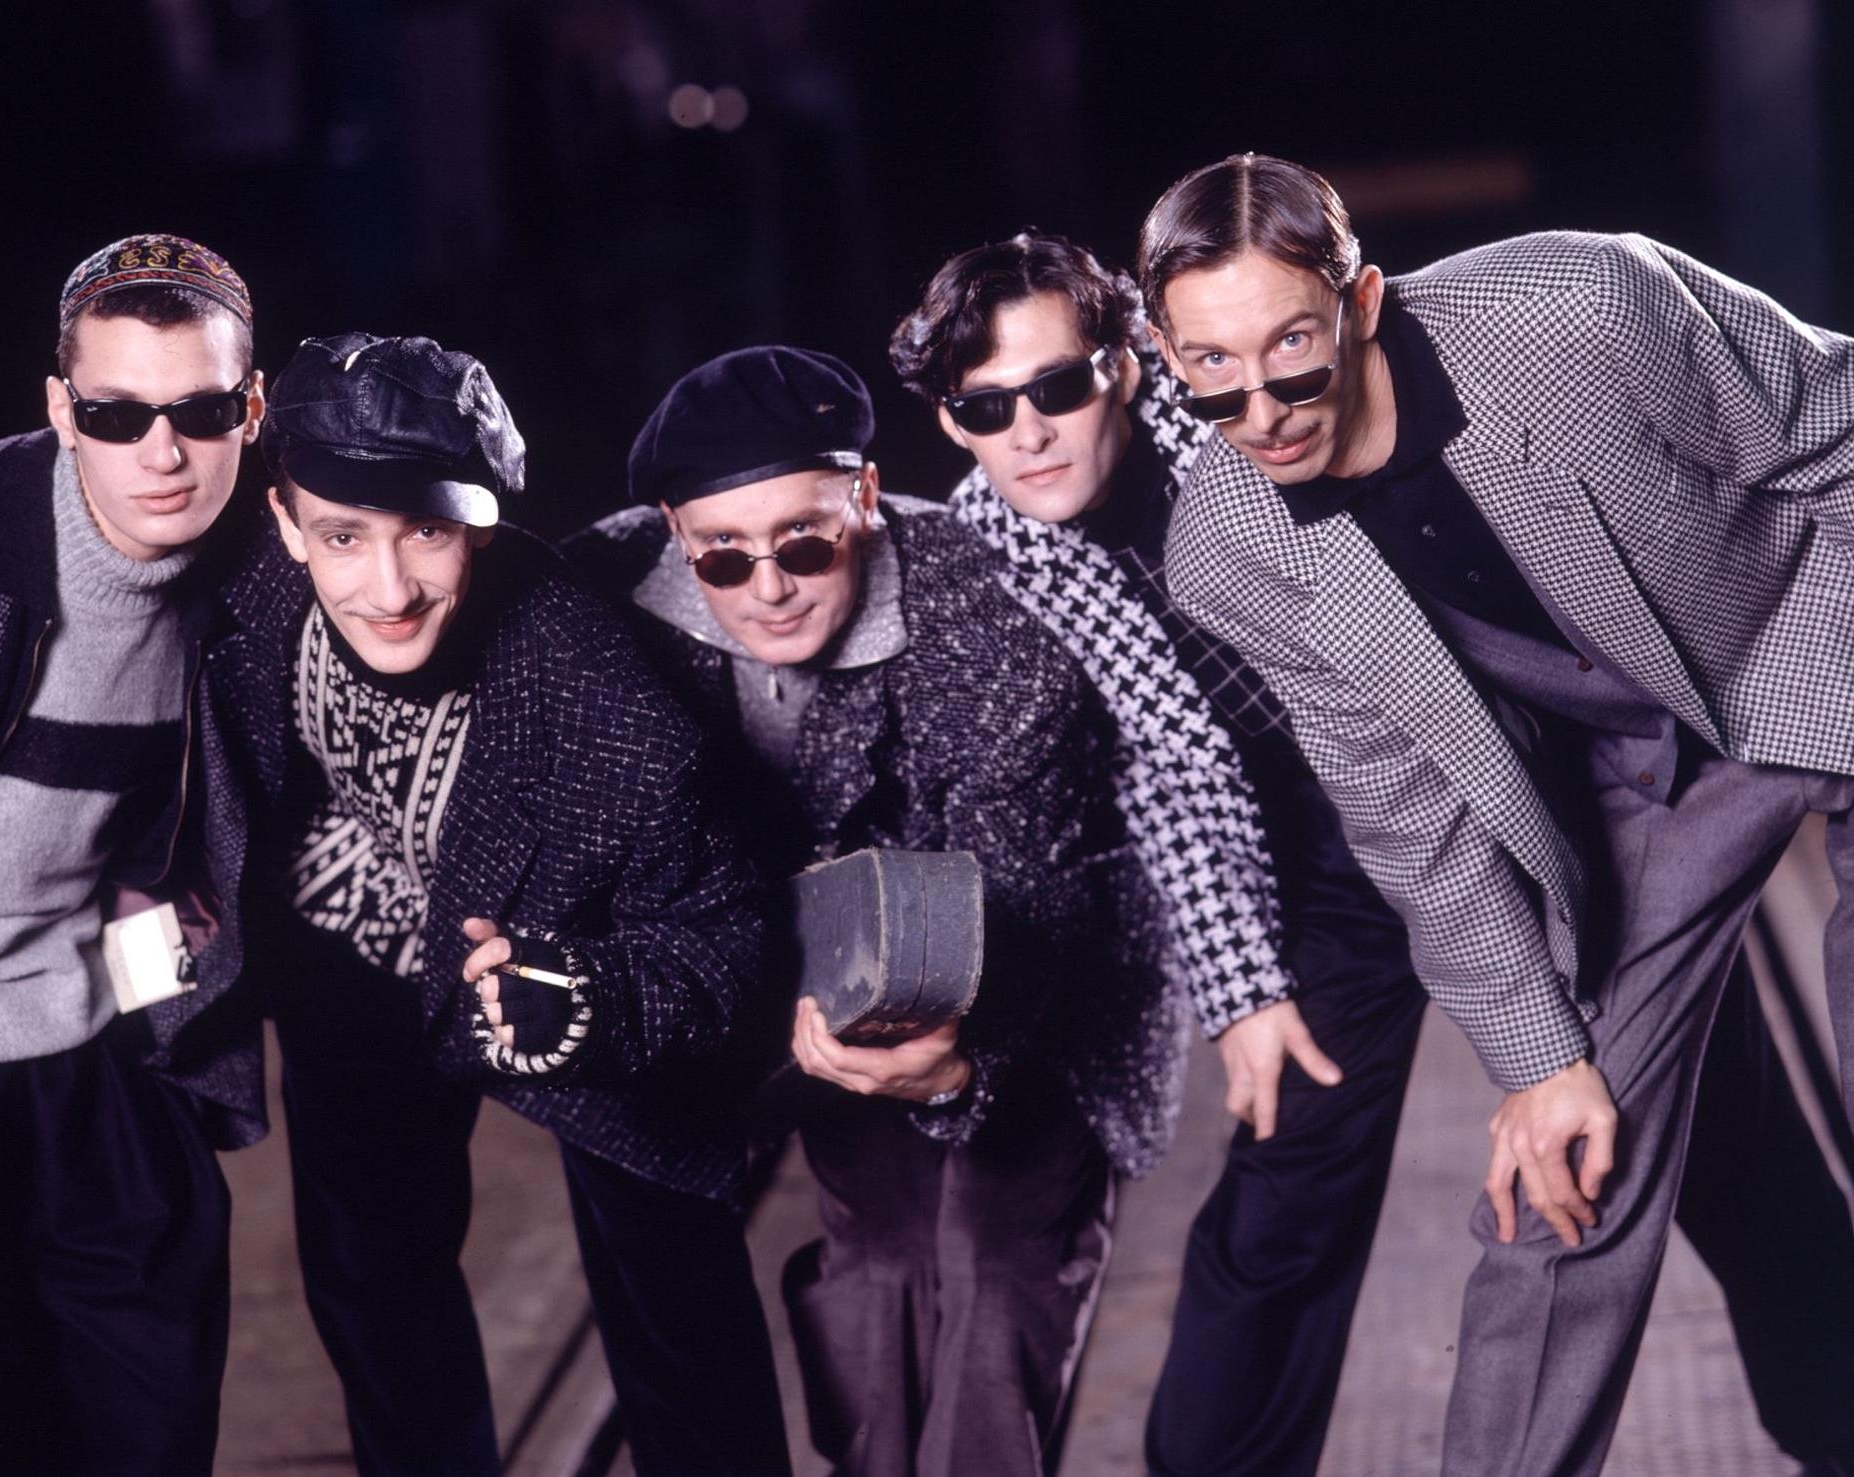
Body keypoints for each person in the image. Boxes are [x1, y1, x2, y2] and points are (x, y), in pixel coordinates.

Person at [896, 226, 1854, 1477]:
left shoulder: (1246, 420)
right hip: (1309, 853)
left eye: (1056, 387)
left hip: (1501, 774)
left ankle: (1837, 1420)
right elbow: (1157, 769)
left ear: (1127, 366)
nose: (1027, 431)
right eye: (984, 407)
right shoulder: (996, 540)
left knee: (1678, 1129)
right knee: (1289, 1183)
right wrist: (1243, 987)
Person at [568, 344, 1183, 1477]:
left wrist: (955, 1071)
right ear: (671, 532)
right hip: (821, 986)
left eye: (804, 541)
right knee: (881, 1269)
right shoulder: (602, 600)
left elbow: (1026, 897)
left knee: (997, 1266)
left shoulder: (987, 612)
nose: (769, 588)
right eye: (724, 556)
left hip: (1039, 980)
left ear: (862, 494)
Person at [200, 332, 791, 1477]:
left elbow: (727, 936)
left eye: (427, 531)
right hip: (349, 946)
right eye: (343, 536)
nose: (389, 590)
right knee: (375, 1288)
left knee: (675, 1294)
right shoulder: (238, 578)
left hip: (572, 959)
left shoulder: (611, 711)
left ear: (479, 522)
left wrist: (587, 997)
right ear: (285, 523)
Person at [0, 234, 265, 1474]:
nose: (161, 453)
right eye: (118, 414)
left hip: (96, 1039)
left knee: (149, 1406)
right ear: (61, 408)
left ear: (253, 406)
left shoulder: (272, 562)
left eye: (201, 411)